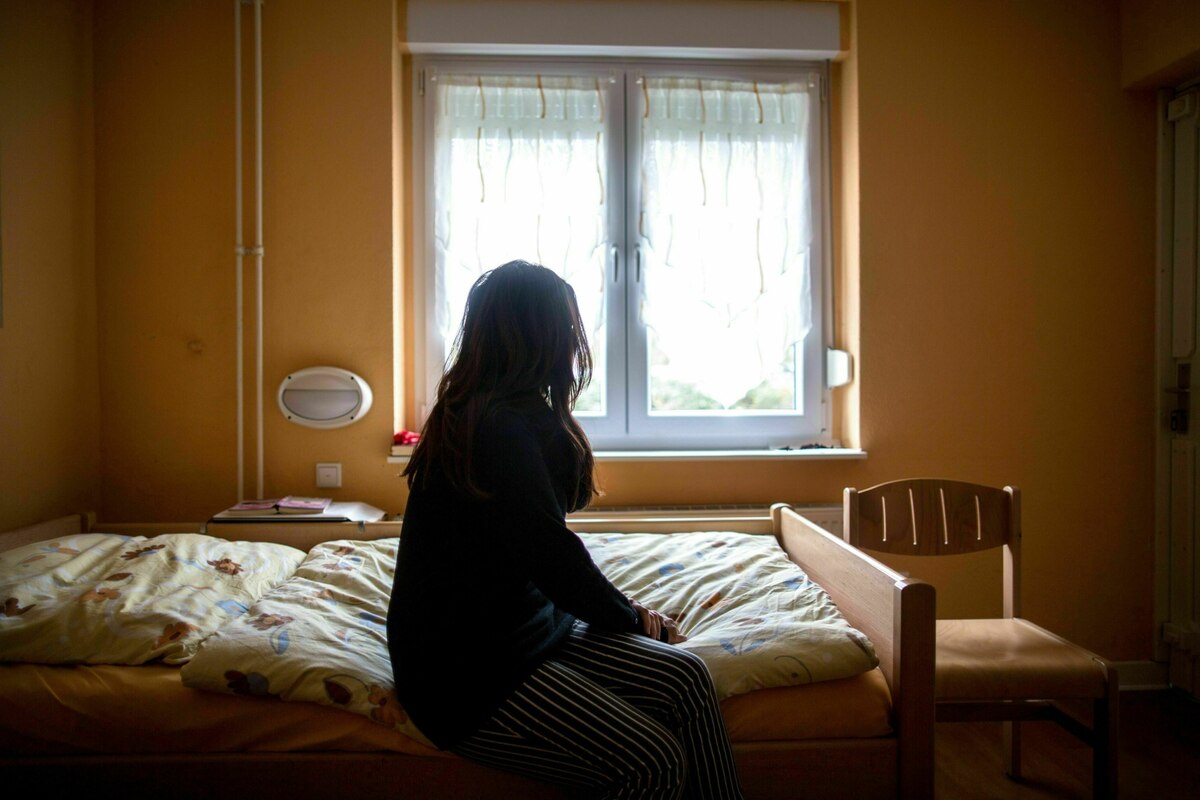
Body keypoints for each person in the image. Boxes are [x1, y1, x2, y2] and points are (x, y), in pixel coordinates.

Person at [387, 260, 744, 799]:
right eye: (569, 328)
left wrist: (551, 412)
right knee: (653, 762)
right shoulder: (493, 429)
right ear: (545, 336)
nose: (577, 344)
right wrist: (632, 618)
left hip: (528, 631)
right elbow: (555, 557)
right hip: (472, 675)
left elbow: (562, 509)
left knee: (686, 678)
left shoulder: (502, 413)